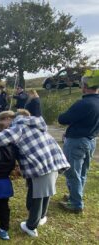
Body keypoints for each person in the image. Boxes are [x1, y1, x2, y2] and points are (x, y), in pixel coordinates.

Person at [0, 112, 70, 238]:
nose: (3, 128)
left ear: (7, 119)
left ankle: (31, 226)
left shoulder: (18, 127)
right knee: (44, 193)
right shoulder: (32, 125)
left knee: (37, 198)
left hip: (41, 165)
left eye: (1, 123)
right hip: (53, 161)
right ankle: (40, 217)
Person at [58, 70, 99, 213]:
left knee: (72, 172)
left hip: (76, 142)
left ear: (85, 86)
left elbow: (62, 119)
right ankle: (75, 196)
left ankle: (76, 204)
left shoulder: (84, 103)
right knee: (82, 172)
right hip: (91, 140)